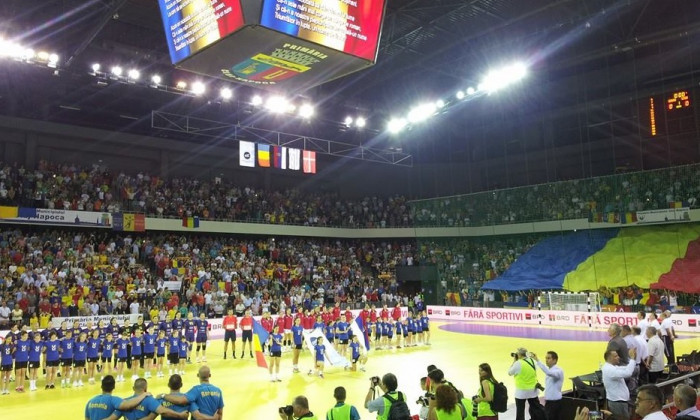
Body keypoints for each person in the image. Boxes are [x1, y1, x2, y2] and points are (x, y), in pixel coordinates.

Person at [101, 377, 188, 420]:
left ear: (133, 388)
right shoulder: (150, 400)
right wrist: (180, 415)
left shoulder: (125, 402)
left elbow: (110, 419)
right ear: (146, 389)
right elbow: (163, 411)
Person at [159, 366, 224, 419]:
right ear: (209, 375)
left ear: (198, 375)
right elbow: (220, 414)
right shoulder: (218, 391)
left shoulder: (195, 391)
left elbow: (180, 401)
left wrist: (163, 395)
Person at [85, 375, 150, 420]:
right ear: (114, 387)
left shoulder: (90, 401)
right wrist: (143, 395)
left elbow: (87, 418)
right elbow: (128, 405)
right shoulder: (113, 400)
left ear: (101, 386)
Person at [508, 348, 544, 420]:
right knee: (536, 408)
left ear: (519, 355)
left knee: (520, 411)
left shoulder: (518, 363)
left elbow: (509, 372)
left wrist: (514, 361)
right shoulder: (532, 361)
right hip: (533, 390)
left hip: (521, 392)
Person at [602, 349, 636, 420]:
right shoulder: (609, 370)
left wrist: (632, 360)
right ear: (610, 358)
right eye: (616, 356)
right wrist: (632, 358)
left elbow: (626, 368)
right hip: (617, 403)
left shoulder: (611, 367)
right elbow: (628, 373)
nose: (618, 357)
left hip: (619, 402)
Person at [533, 351, 564, 420]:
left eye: (548, 358)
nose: (546, 360)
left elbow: (549, 373)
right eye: (546, 358)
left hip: (554, 403)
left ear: (555, 360)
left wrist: (537, 360)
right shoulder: (552, 370)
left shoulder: (558, 371)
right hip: (550, 402)